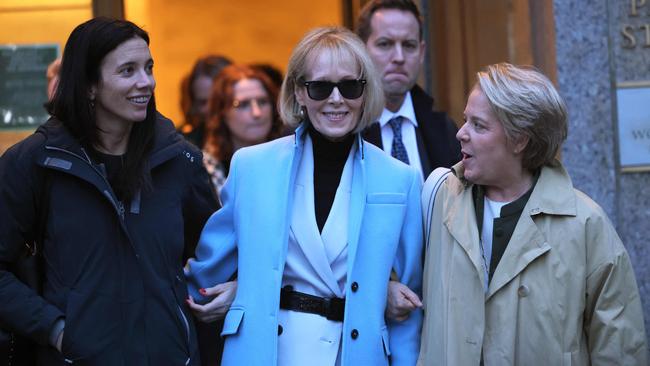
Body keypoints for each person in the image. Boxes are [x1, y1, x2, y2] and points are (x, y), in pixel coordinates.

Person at [185, 26, 423, 365]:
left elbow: (410, 305)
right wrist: (249, 292)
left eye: (350, 86)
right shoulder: (252, 167)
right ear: (299, 92)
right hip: (268, 351)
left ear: (365, 93)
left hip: (354, 353)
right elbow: (206, 277)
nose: (336, 99)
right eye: (321, 87)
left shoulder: (400, 179)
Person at [0, 17, 219, 365]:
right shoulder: (33, 163)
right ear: (89, 85)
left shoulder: (180, 159)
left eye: (149, 67)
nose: (145, 82)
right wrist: (55, 329)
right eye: (128, 70)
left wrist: (233, 290)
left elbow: (218, 257)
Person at [418, 63, 648, 365]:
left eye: (479, 125)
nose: (461, 133)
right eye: (465, 121)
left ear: (519, 140)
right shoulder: (438, 196)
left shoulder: (585, 223)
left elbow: (619, 348)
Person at [357, 0, 461, 181]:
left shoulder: (445, 130)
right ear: (361, 50)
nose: (399, 57)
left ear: (421, 53)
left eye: (409, 45)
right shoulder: (346, 128)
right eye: (385, 44)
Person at [203, 64, 285, 195]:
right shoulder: (206, 170)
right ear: (221, 112)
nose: (257, 113)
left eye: (263, 101)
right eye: (243, 104)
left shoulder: (291, 158)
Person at [178, 55, 233, 147]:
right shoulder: (184, 145)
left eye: (217, 100)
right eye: (202, 102)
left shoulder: (257, 138)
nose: (209, 108)